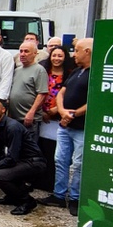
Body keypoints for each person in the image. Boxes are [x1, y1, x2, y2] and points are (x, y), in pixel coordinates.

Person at [37, 38, 93, 217]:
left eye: (77, 50)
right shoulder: (76, 71)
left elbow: (93, 100)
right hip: (64, 125)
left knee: (78, 164)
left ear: (88, 51)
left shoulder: (95, 73)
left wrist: (74, 114)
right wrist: (62, 111)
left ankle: (75, 198)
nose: (74, 54)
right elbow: (62, 93)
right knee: (60, 161)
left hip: (80, 127)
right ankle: (59, 195)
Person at [0, 97, 46, 216]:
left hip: (34, 163)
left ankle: (27, 201)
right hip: (21, 161)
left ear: (3, 110)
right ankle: (12, 196)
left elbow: (11, 158)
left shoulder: (12, 127)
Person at [35, 46, 75, 191]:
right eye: (54, 55)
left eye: (60, 56)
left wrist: (56, 109)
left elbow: (69, 95)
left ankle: (53, 183)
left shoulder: (70, 74)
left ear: (65, 58)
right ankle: (39, 180)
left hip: (59, 118)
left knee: (56, 153)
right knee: (42, 149)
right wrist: (43, 111)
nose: (56, 58)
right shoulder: (43, 72)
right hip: (43, 116)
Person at [8, 41, 48, 133]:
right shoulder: (17, 70)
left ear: (35, 53)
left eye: (26, 51)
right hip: (15, 119)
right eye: (21, 51)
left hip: (29, 119)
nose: (22, 54)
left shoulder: (39, 70)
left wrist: (31, 113)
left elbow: (42, 94)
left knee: (28, 146)